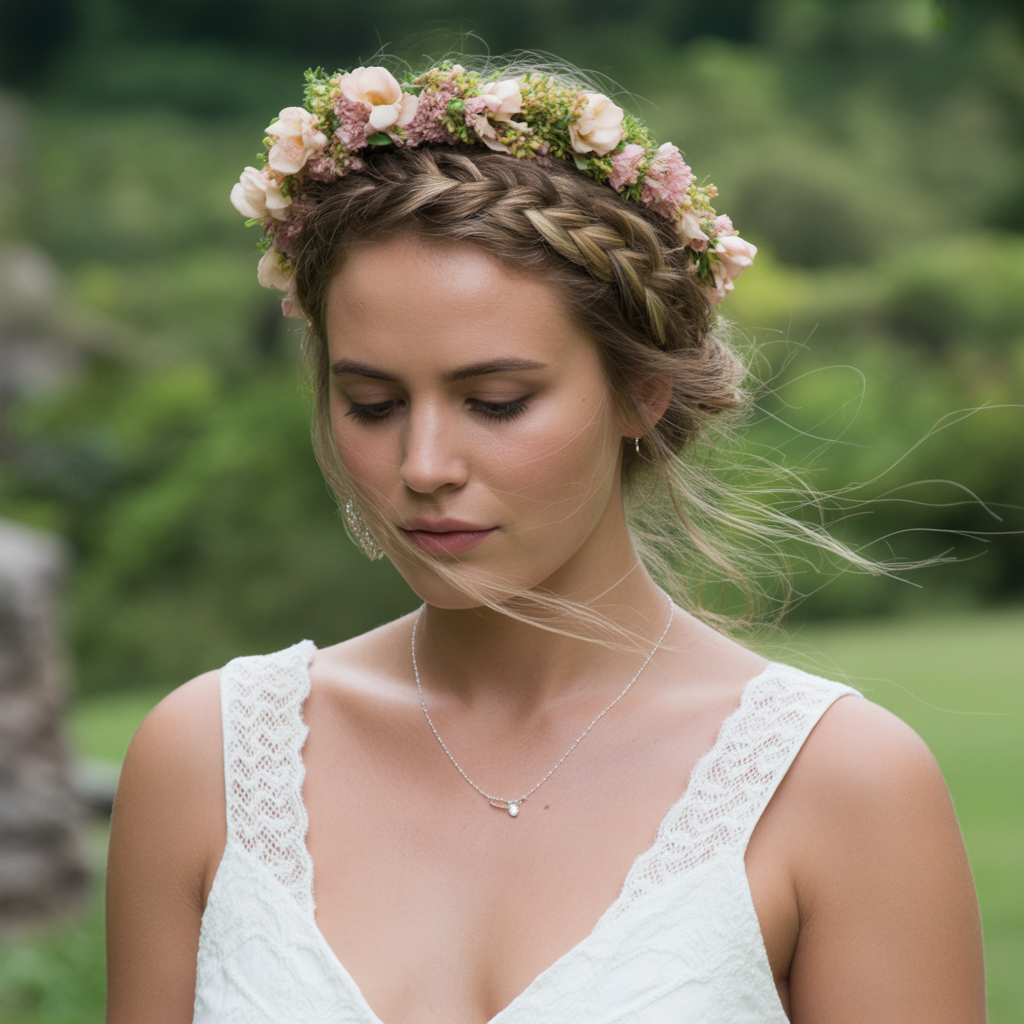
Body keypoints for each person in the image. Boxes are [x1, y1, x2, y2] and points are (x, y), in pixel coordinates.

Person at [105, 60, 986, 1024]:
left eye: (496, 402)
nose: (424, 462)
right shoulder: (208, 761)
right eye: (373, 403)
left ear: (641, 389)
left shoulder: (840, 785)